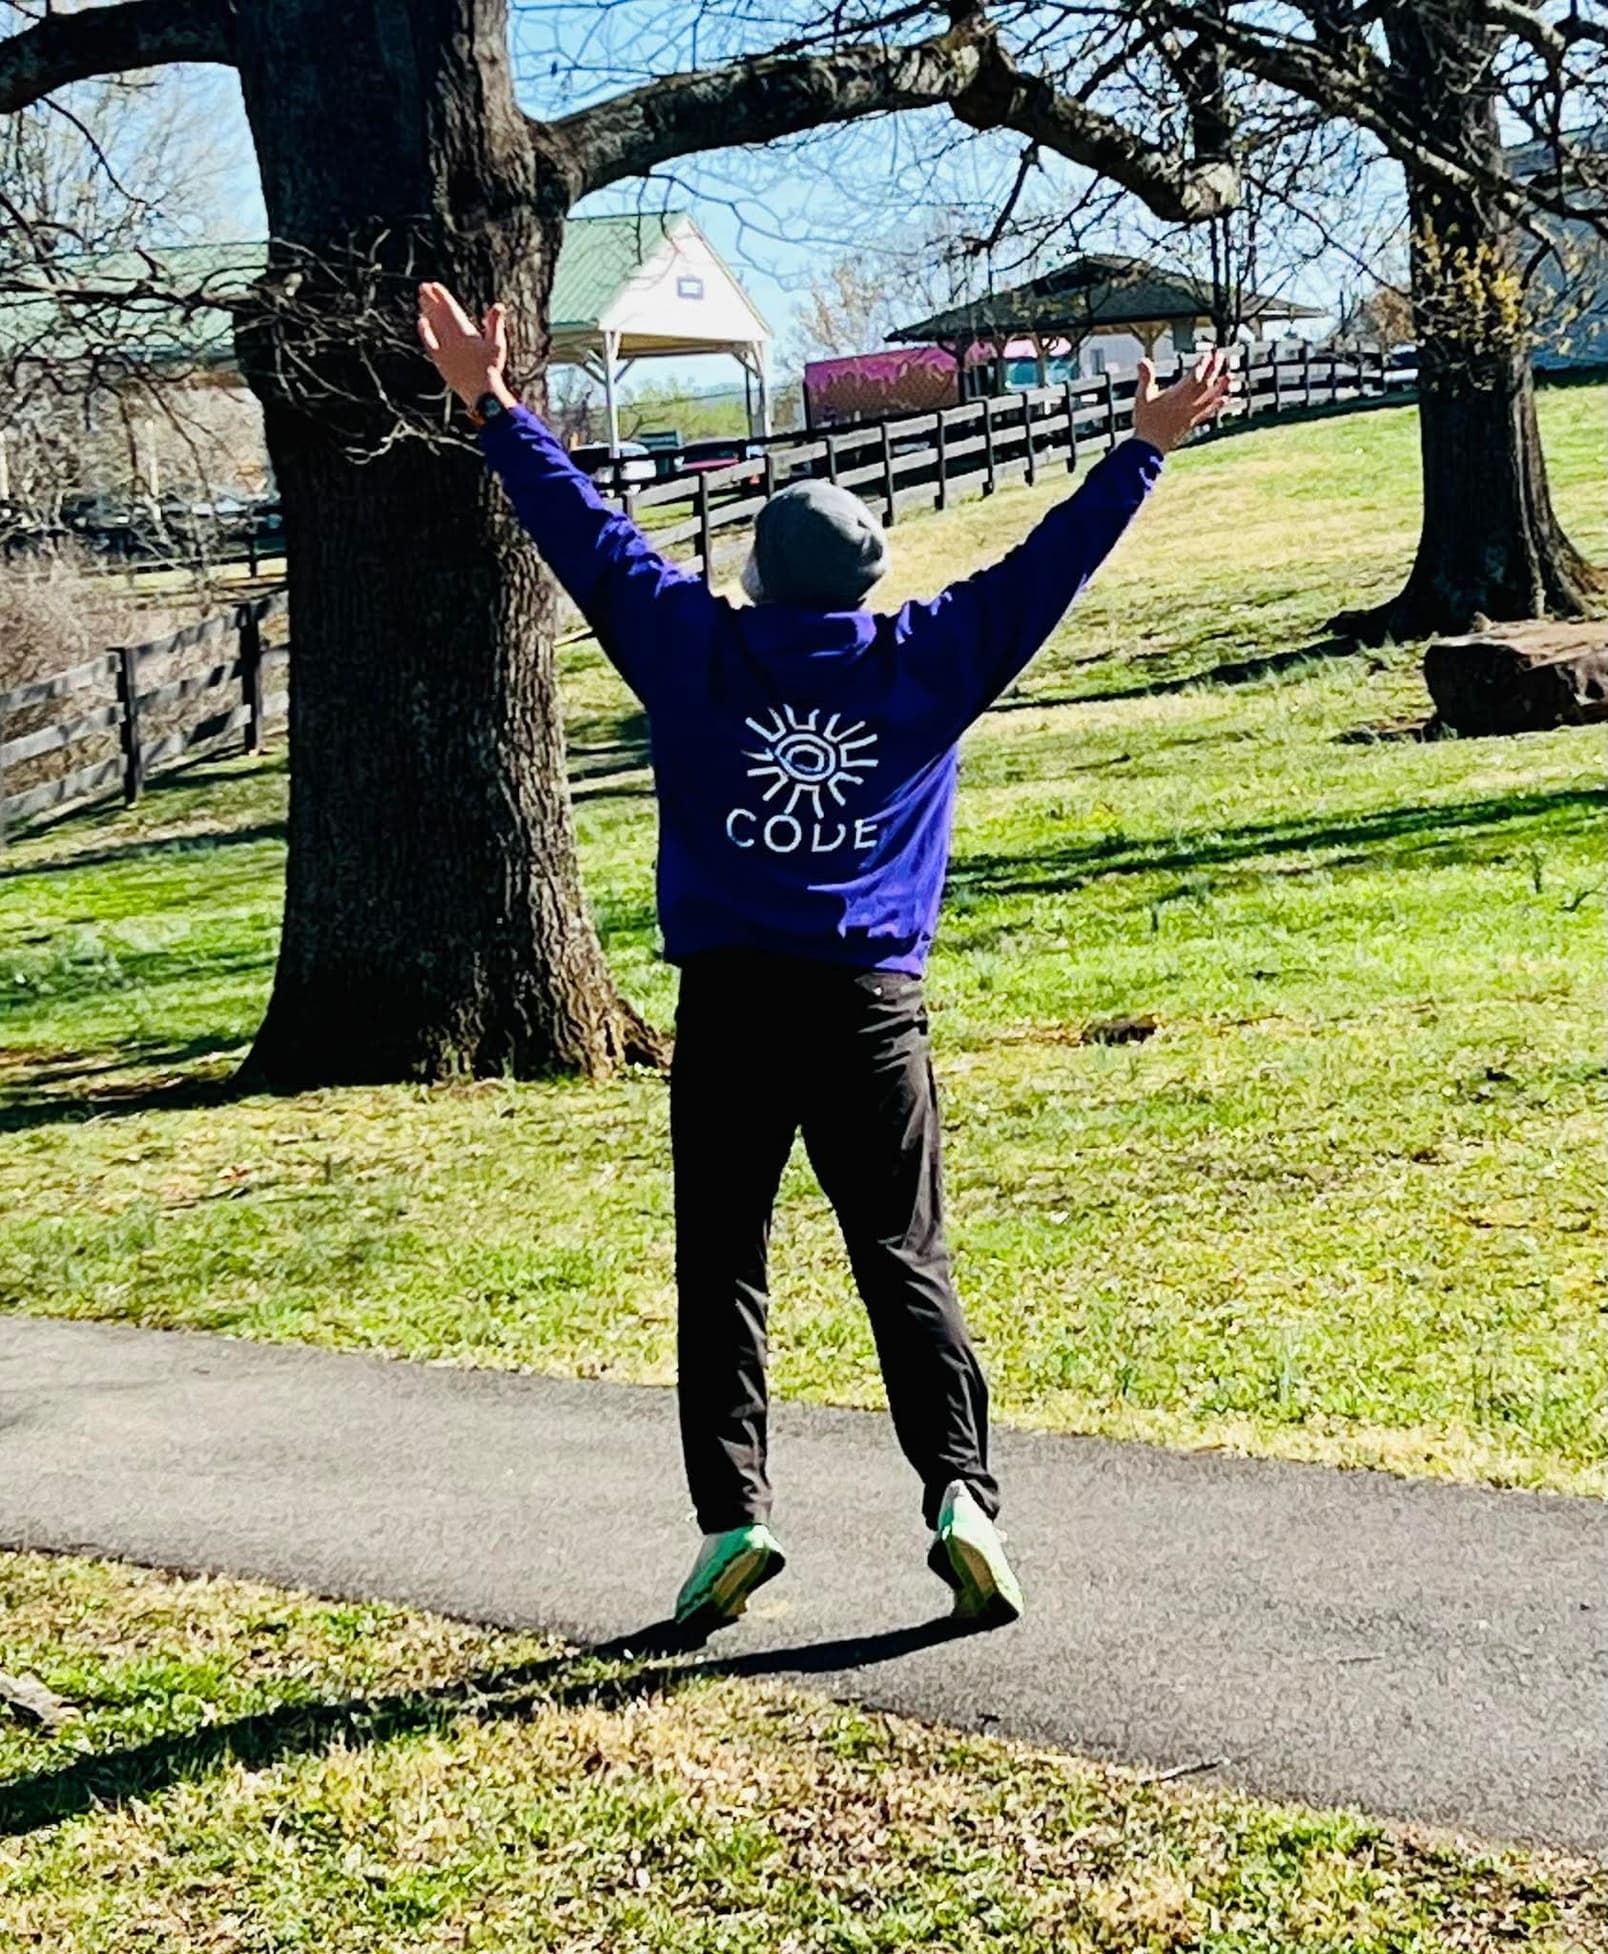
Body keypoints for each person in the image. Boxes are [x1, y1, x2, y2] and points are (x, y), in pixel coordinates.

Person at [417, 283, 1231, 1634]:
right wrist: (1142, 445)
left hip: (731, 1005)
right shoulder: (930, 656)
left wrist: (493, 406)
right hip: (869, 1008)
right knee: (903, 1253)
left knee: (724, 1256)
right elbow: (1050, 565)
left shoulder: (695, 647)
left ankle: (735, 1518)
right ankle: (963, 1498)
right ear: (867, 583)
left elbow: (585, 538)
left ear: (755, 578)